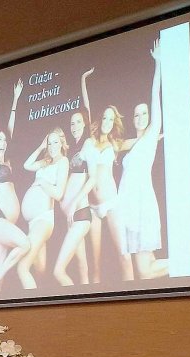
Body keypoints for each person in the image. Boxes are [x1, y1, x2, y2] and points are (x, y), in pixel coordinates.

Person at [118, 39, 168, 280]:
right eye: (136, 115)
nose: (140, 117)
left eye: (144, 113)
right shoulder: (131, 143)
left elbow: (154, 96)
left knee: (145, 272)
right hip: (128, 208)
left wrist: (158, 63)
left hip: (141, 205)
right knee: (145, 271)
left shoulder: (150, 137)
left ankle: (187, 261)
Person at [83, 73, 133, 283]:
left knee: (124, 255)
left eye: (111, 119)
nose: (107, 121)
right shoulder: (89, 140)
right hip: (92, 207)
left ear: (114, 123)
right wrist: (83, 80)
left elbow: (140, 140)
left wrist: (159, 135)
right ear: (100, 119)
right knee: (94, 266)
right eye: (105, 117)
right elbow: (86, 108)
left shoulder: (115, 144)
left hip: (111, 203)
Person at [0, 80, 30, 292]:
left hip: (5, 225)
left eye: (4, 140)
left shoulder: (8, 162)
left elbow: (9, 130)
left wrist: (16, 98)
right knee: (25, 244)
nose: (2, 143)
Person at [54, 69, 96, 286]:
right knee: (82, 267)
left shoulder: (88, 144)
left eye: (78, 122)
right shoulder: (72, 149)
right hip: (72, 215)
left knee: (58, 271)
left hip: (79, 213)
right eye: (72, 123)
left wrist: (82, 80)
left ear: (85, 123)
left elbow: (92, 179)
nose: (75, 126)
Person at [17, 127, 70, 289]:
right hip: (33, 222)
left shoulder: (63, 161)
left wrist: (41, 182)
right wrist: (40, 147)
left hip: (43, 219)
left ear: (61, 143)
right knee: (40, 271)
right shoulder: (46, 162)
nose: (52, 146)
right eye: (49, 143)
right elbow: (26, 165)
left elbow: (59, 193)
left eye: (55, 142)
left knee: (22, 267)